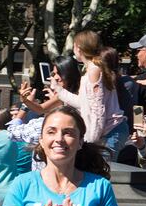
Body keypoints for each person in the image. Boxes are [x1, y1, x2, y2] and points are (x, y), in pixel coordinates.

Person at [51, 30, 129, 161]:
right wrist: (59, 90)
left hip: (109, 132)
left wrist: (90, 141)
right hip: (106, 132)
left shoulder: (94, 71)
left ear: (79, 48)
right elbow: (83, 103)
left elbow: (97, 110)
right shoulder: (93, 70)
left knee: (100, 173)